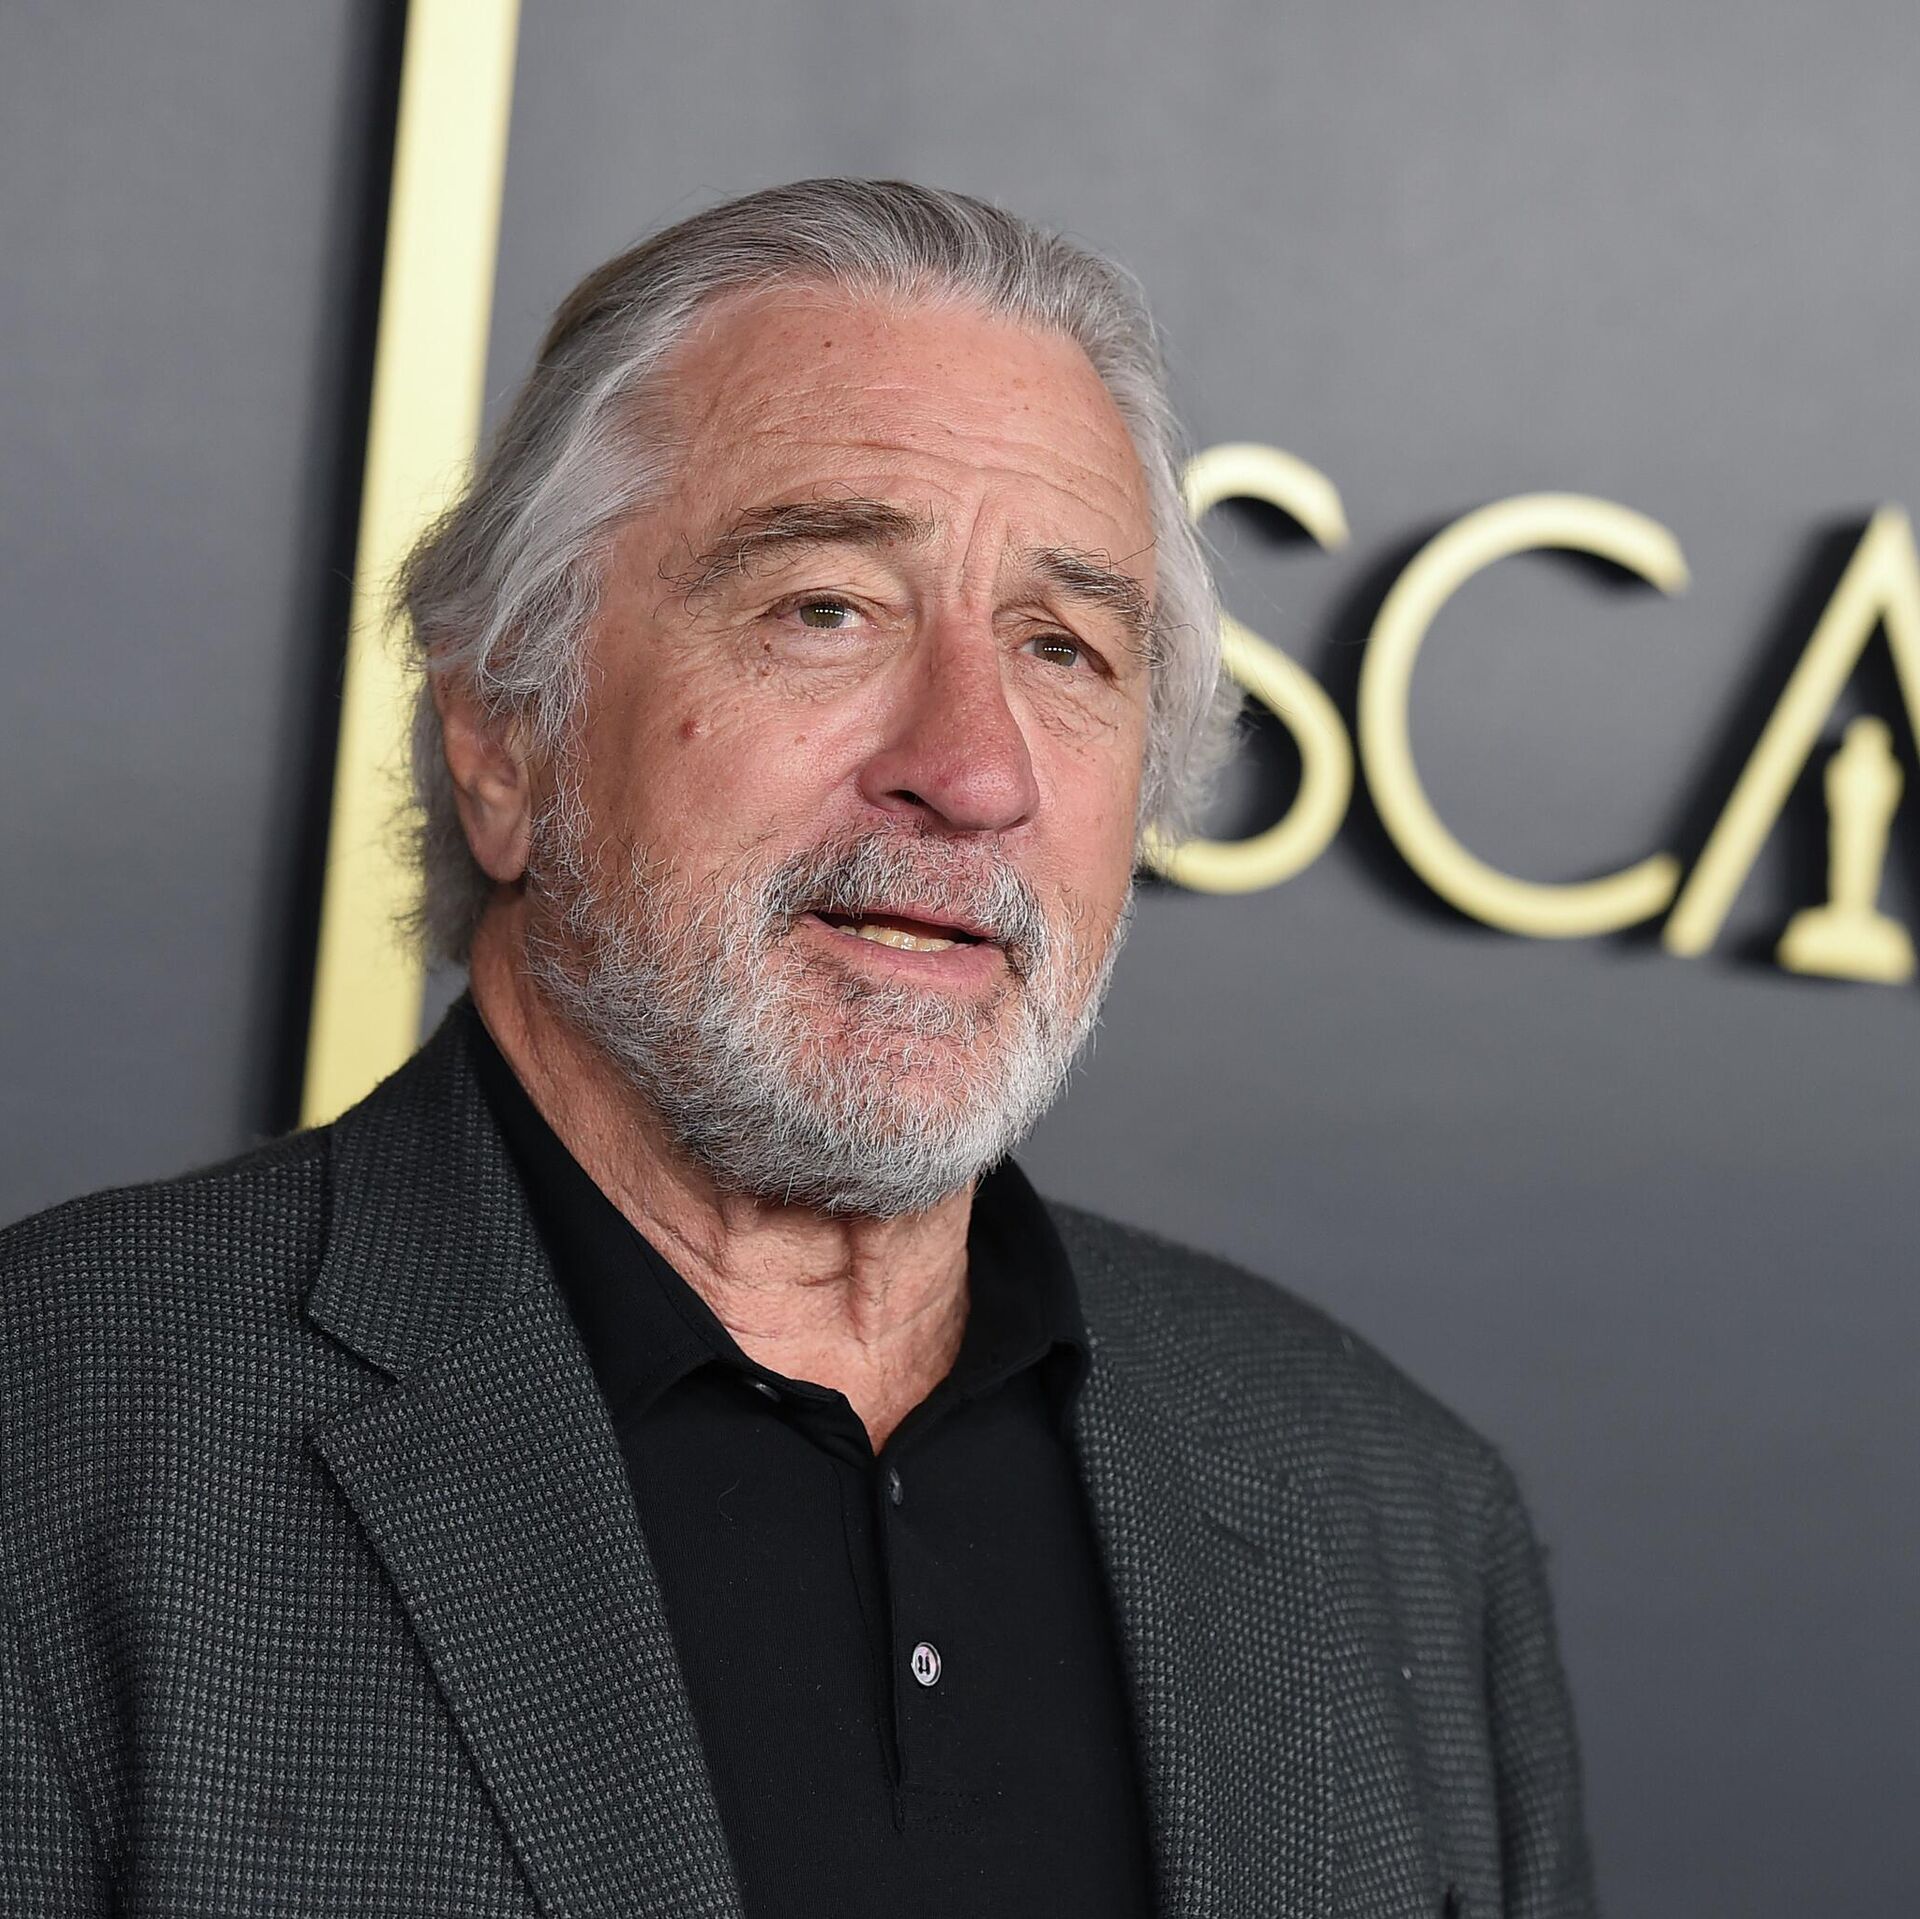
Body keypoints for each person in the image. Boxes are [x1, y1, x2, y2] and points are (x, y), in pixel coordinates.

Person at [0, 180, 1596, 1918]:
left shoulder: (1393, 1512)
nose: (974, 770)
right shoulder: (62, 1437)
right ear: (502, 735)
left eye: (1063, 647)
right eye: (828, 607)